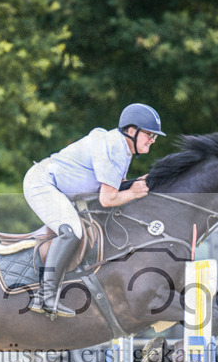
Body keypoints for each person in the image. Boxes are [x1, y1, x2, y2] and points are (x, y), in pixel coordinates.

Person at [22, 103, 165, 318]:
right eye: (149, 134)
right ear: (131, 130)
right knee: (72, 231)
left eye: (154, 136)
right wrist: (134, 192)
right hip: (42, 183)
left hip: (58, 189)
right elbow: (107, 199)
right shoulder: (115, 146)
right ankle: (45, 296)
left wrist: (137, 185)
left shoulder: (121, 147)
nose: (153, 140)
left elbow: (116, 187)